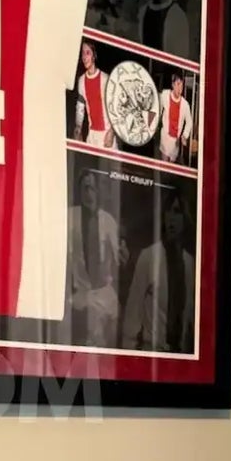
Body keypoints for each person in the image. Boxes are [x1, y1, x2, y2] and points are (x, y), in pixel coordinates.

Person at [120, 187, 193, 352]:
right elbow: (132, 313)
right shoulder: (149, 257)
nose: (172, 219)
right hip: (152, 352)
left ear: (185, 218)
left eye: (177, 212)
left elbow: (190, 318)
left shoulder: (189, 263)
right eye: (168, 212)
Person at [66, 168, 121, 347]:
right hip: (80, 299)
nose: (88, 193)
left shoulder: (108, 221)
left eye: (92, 188)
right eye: (85, 188)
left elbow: (119, 258)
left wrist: (123, 254)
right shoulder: (70, 217)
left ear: (98, 192)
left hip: (105, 298)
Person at [73, 40, 113, 148]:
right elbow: (80, 108)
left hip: (107, 136)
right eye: (82, 53)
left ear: (94, 56)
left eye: (88, 53)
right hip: (91, 137)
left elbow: (116, 108)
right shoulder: (81, 81)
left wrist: (112, 132)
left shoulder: (106, 79)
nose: (84, 57)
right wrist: (78, 129)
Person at [158, 71, 193, 164]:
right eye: (177, 85)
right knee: (164, 163)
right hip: (165, 137)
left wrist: (185, 135)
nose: (179, 88)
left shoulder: (185, 105)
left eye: (181, 86)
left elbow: (189, 122)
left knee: (171, 165)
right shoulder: (165, 95)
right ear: (173, 85)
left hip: (176, 142)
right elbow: (157, 108)